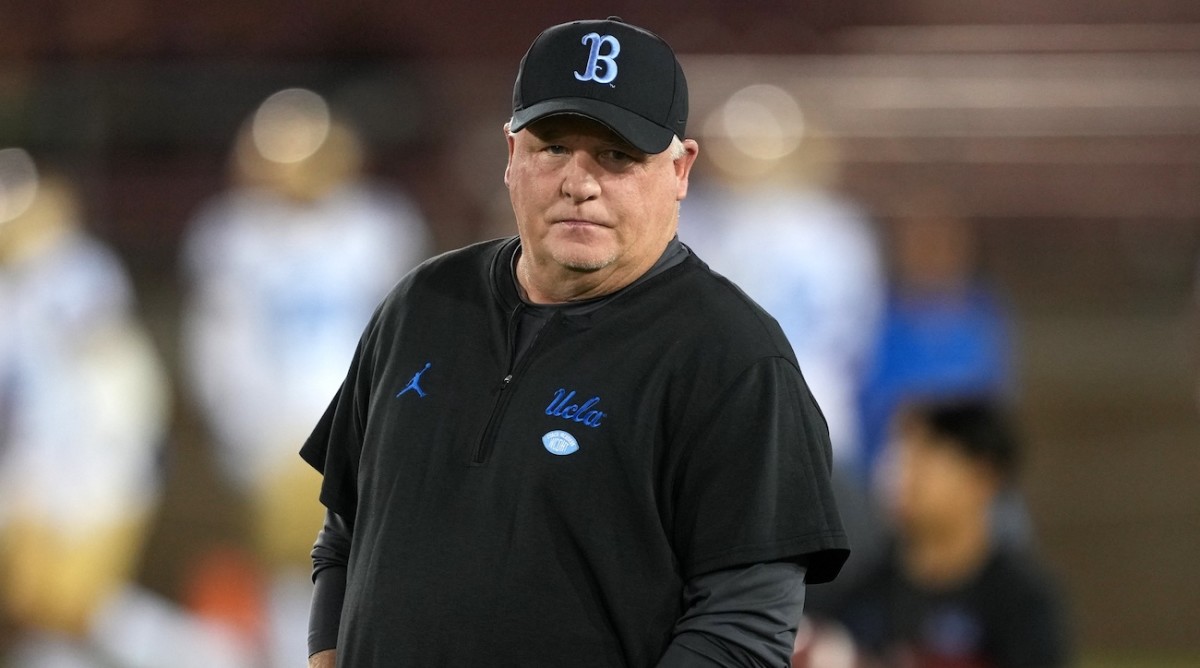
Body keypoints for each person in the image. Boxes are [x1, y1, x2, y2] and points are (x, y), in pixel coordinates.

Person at [301, 17, 849, 668]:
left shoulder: (733, 357)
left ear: (680, 169)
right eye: (554, 147)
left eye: (617, 155)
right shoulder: (420, 305)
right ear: (511, 157)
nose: (579, 182)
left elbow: (742, 630)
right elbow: (344, 534)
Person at [180, 88, 431, 667]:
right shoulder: (232, 235)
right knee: (298, 569)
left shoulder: (377, 223)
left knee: (378, 561)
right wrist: (242, 425)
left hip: (365, 419)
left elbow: (406, 330)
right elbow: (221, 344)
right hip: (278, 427)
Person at [798, 399, 1071, 668]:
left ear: (981, 475)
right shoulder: (859, 592)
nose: (902, 474)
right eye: (899, 455)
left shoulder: (1021, 602)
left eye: (924, 456)